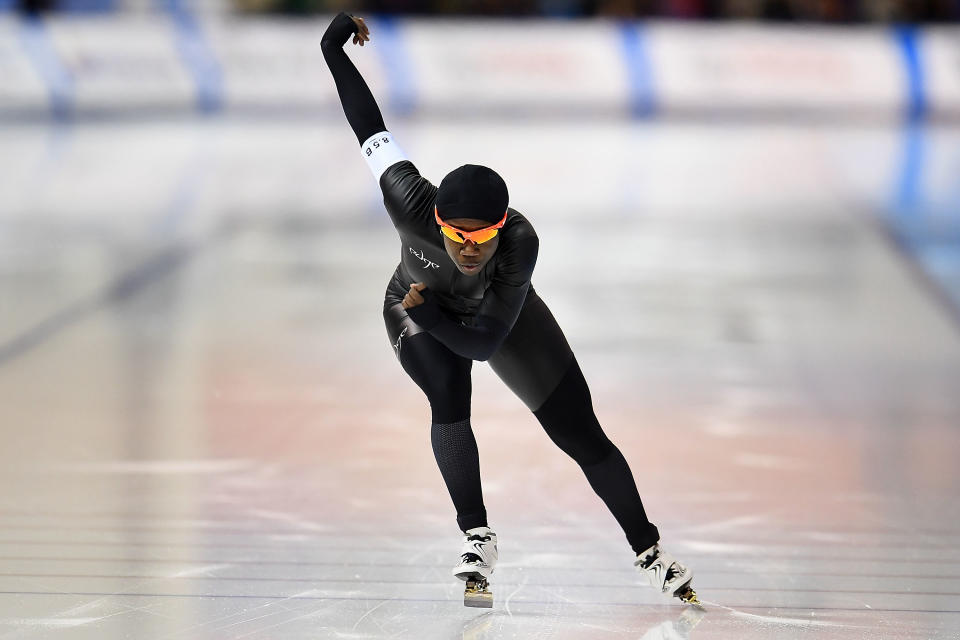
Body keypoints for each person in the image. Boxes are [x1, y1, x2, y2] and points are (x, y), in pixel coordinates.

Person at [320, 11, 698, 607]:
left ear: (504, 227)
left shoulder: (520, 244)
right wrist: (333, 50)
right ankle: (476, 536)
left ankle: (648, 548)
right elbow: (368, 125)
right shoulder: (406, 199)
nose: (469, 249)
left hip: (484, 318)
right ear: (435, 220)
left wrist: (442, 316)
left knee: (579, 432)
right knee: (447, 391)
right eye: (456, 235)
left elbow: (484, 344)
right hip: (412, 307)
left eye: (483, 237)